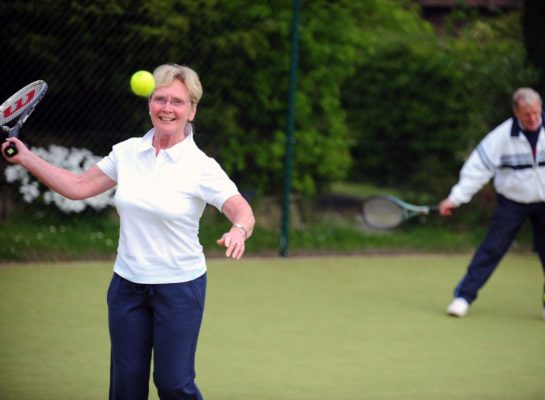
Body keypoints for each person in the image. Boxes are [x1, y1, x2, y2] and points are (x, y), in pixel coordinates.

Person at [2, 63, 255, 399]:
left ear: (192, 110)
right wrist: (26, 158)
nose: (167, 108)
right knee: (126, 388)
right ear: (149, 103)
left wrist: (239, 229)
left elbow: (240, 208)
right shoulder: (127, 152)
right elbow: (78, 186)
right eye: (160, 99)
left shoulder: (201, 166)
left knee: (173, 384)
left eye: (177, 102)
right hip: (126, 287)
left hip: (180, 288)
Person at [438, 87, 545, 319]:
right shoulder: (501, 137)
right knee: (492, 248)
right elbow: (477, 170)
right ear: (516, 113)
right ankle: (463, 298)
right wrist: (455, 198)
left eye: (537, 112)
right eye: (527, 114)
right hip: (512, 203)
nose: (533, 118)